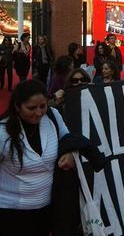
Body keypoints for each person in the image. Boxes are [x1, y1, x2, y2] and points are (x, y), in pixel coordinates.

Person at [0, 79, 74, 236]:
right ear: (17, 106)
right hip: (10, 213)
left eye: (43, 106)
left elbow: (67, 138)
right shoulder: (2, 132)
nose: (39, 112)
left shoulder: (53, 116)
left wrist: (69, 153)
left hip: (46, 210)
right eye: (31, 108)